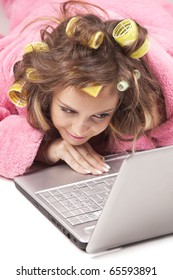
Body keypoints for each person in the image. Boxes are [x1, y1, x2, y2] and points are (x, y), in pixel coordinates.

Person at [0, 0, 173, 179]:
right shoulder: (14, 69)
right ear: (47, 92)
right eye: (67, 110)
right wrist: (46, 150)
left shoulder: (159, 84)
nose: (79, 130)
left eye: (101, 115)